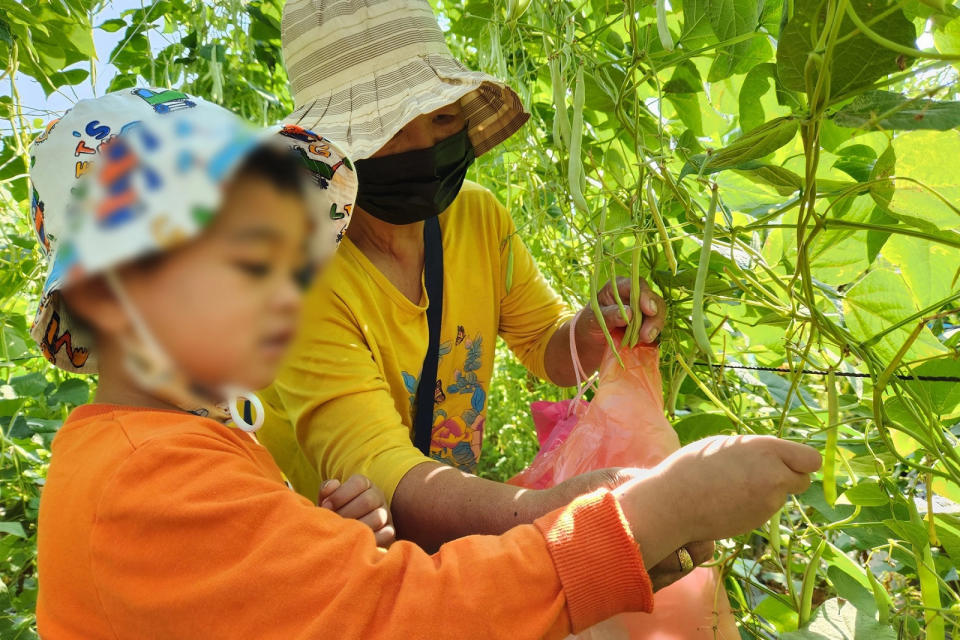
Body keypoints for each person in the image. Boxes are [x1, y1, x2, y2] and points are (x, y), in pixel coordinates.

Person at [32, 90, 821, 639]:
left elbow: (270, 598)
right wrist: (647, 517)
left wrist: (317, 543)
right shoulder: (148, 481)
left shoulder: (171, 449)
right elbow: (401, 619)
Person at [259, 0, 670, 551]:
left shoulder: (478, 216)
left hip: (456, 526)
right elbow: (377, 469)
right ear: (333, 146)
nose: (424, 148)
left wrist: (587, 333)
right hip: (339, 551)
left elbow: (542, 342)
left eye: (442, 118)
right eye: (388, 128)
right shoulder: (299, 277)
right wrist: (555, 516)